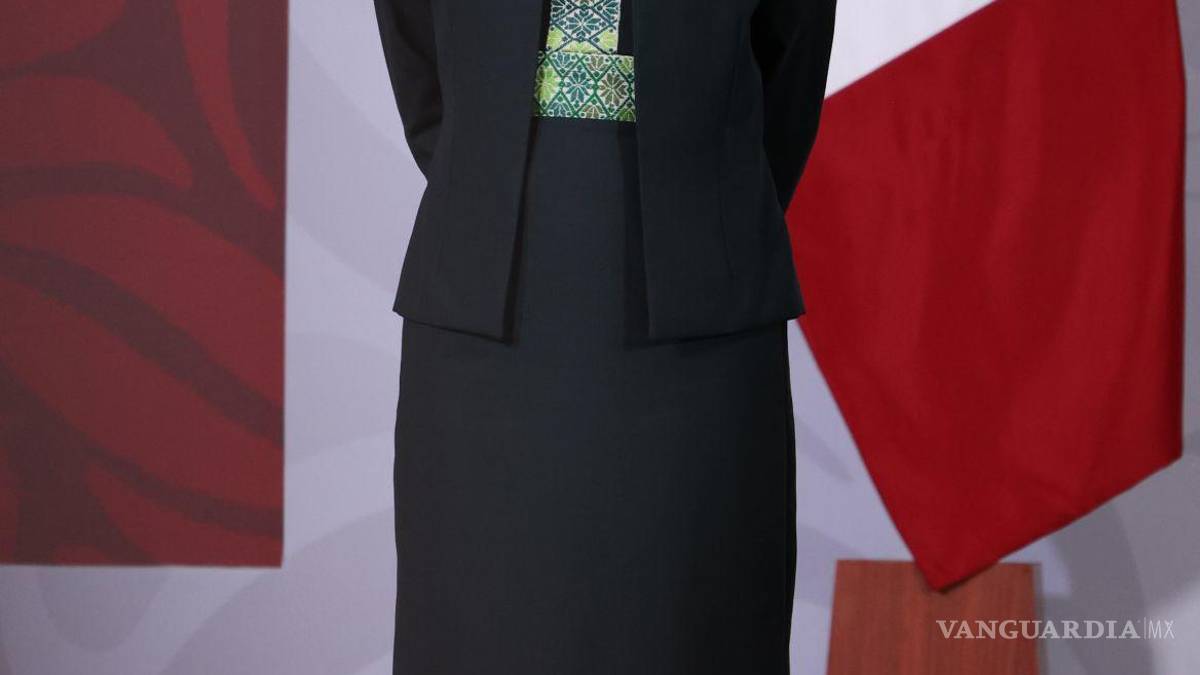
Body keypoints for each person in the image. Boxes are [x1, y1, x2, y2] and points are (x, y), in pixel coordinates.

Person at [373, 0, 837, 672]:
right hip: (485, 312)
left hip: (698, 323)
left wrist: (708, 202)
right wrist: (491, 177)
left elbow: (791, 54)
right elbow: (420, 56)